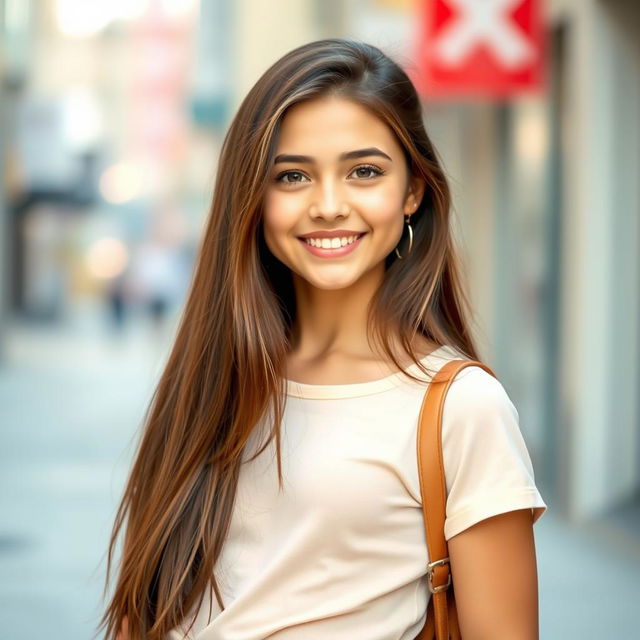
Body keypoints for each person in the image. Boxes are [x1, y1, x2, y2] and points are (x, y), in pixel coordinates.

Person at [100, 39, 547, 640]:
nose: (329, 205)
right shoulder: (213, 378)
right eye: (292, 176)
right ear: (254, 198)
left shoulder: (461, 408)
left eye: (364, 171)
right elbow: (143, 609)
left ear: (412, 190)